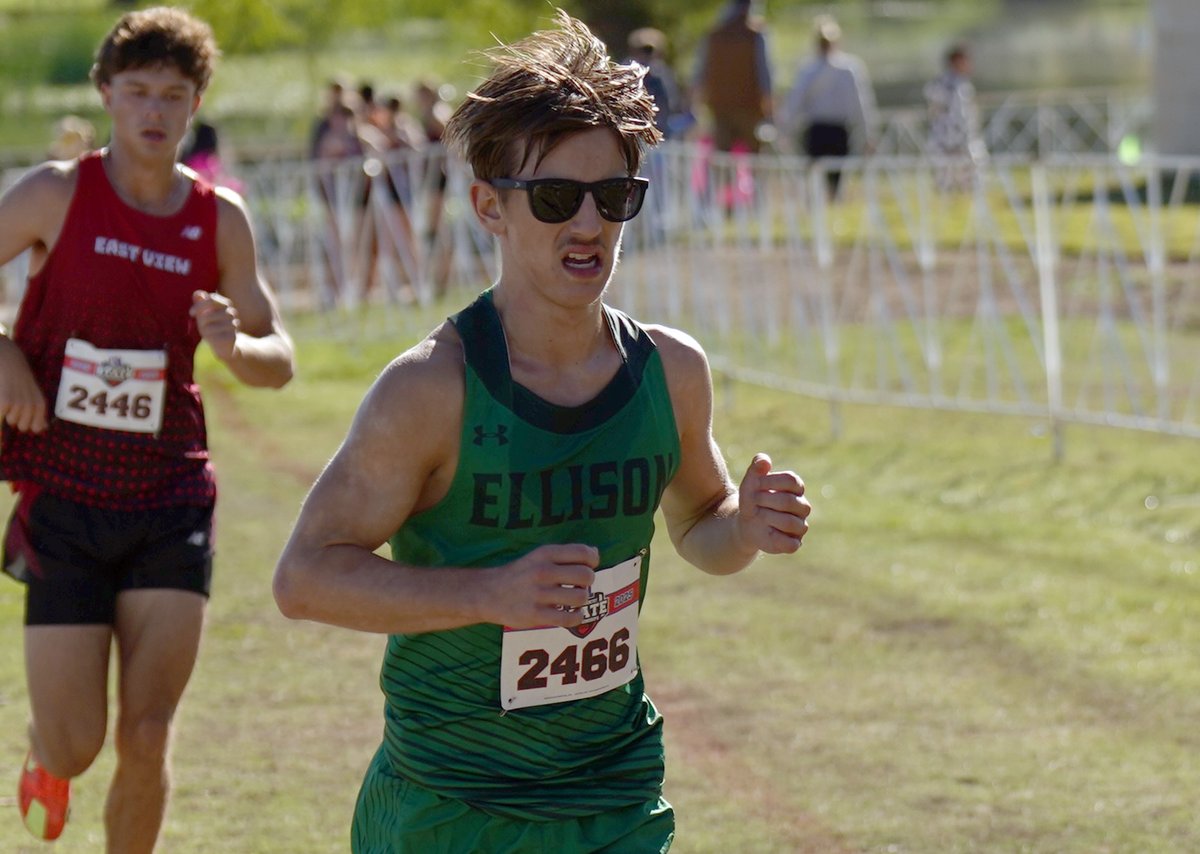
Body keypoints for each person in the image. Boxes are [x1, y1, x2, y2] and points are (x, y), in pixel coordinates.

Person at [273, 10, 810, 852]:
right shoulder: (431, 388)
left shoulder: (669, 372)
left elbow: (700, 524)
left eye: (615, 196)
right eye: (556, 198)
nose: (589, 225)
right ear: (490, 205)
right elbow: (304, 578)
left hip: (616, 791)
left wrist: (746, 523)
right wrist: (486, 595)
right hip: (454, 803)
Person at [0, 7, 295, 848]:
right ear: (106, 94)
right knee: (76, 743)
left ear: (195, 101)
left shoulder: (218, 218)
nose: (154, 111)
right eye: (137, 92)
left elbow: (280, 358)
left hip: (170, 496)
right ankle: (44, 752)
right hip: (64, 498)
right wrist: (3, 357)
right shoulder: (56, 194)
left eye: (173, 93)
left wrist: (237, 346)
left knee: (148, 732)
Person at [782, 14, 878, 199]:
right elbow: (861, 104)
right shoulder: (826, 68)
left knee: (833, 177)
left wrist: (868, 133)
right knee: (817, 176)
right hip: (821, 129)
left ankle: (830, 211)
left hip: (833, 129)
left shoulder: (843, 68)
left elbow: (860, 103)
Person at [692, 0, 773, 153]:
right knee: (754, 157)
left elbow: (700, 71)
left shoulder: (715, 34)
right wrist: (769, 105)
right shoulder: (755, 34)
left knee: (722, 160)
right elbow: (764, 71)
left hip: (721, 105)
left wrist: (696, 100)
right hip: (749, 106)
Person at [924, 43, 986, 190]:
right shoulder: (952, 85)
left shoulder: (955, 84)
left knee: (956, 180)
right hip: (953, 142)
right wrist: (957, 142)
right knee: (957, 180)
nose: (970, 64)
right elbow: (955, 116)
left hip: (952, 141)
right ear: (957, 61)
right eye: (966, 60)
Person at [626, 27, 686, 140]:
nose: (646, 55)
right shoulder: (625, 71)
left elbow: (670, 102)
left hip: (658, 131)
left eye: (649, 50)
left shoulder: (661, 74)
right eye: (643, 50)